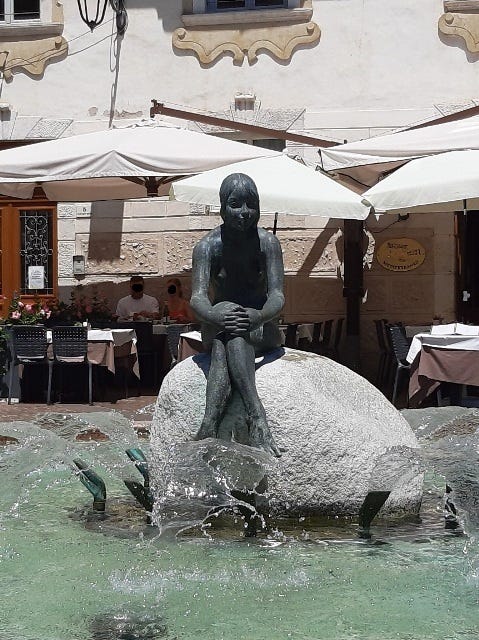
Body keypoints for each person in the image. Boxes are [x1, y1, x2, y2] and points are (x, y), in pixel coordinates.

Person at [190, 173, 284, 457]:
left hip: (259, 325)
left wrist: (258, 316)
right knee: (227, 324)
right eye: (235, 205)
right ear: (221, 207)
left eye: (250, 205)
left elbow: (278, 295)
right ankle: (257, 415)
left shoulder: (268, 243)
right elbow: (197, 297)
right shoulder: (207, 246)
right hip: (220, 323)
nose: (244, 213)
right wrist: (215, 316)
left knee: (228, 341)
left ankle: (209, 424)